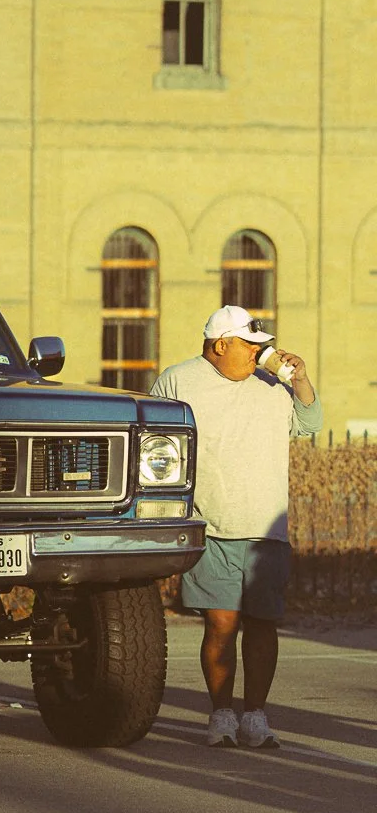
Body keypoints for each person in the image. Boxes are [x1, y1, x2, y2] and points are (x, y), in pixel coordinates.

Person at [150, 304, 322, 750]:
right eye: (250, 344)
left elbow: (310, 424)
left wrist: (299, 378)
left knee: (263, 624)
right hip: (211, 525)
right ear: (220, 343)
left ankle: (256, 717)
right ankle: (222, 715)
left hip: (267, 530)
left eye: (261, 345)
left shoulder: (273, 385)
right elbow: (154, 442)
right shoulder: (177, 381)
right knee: (221, 625)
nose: (258, 353)